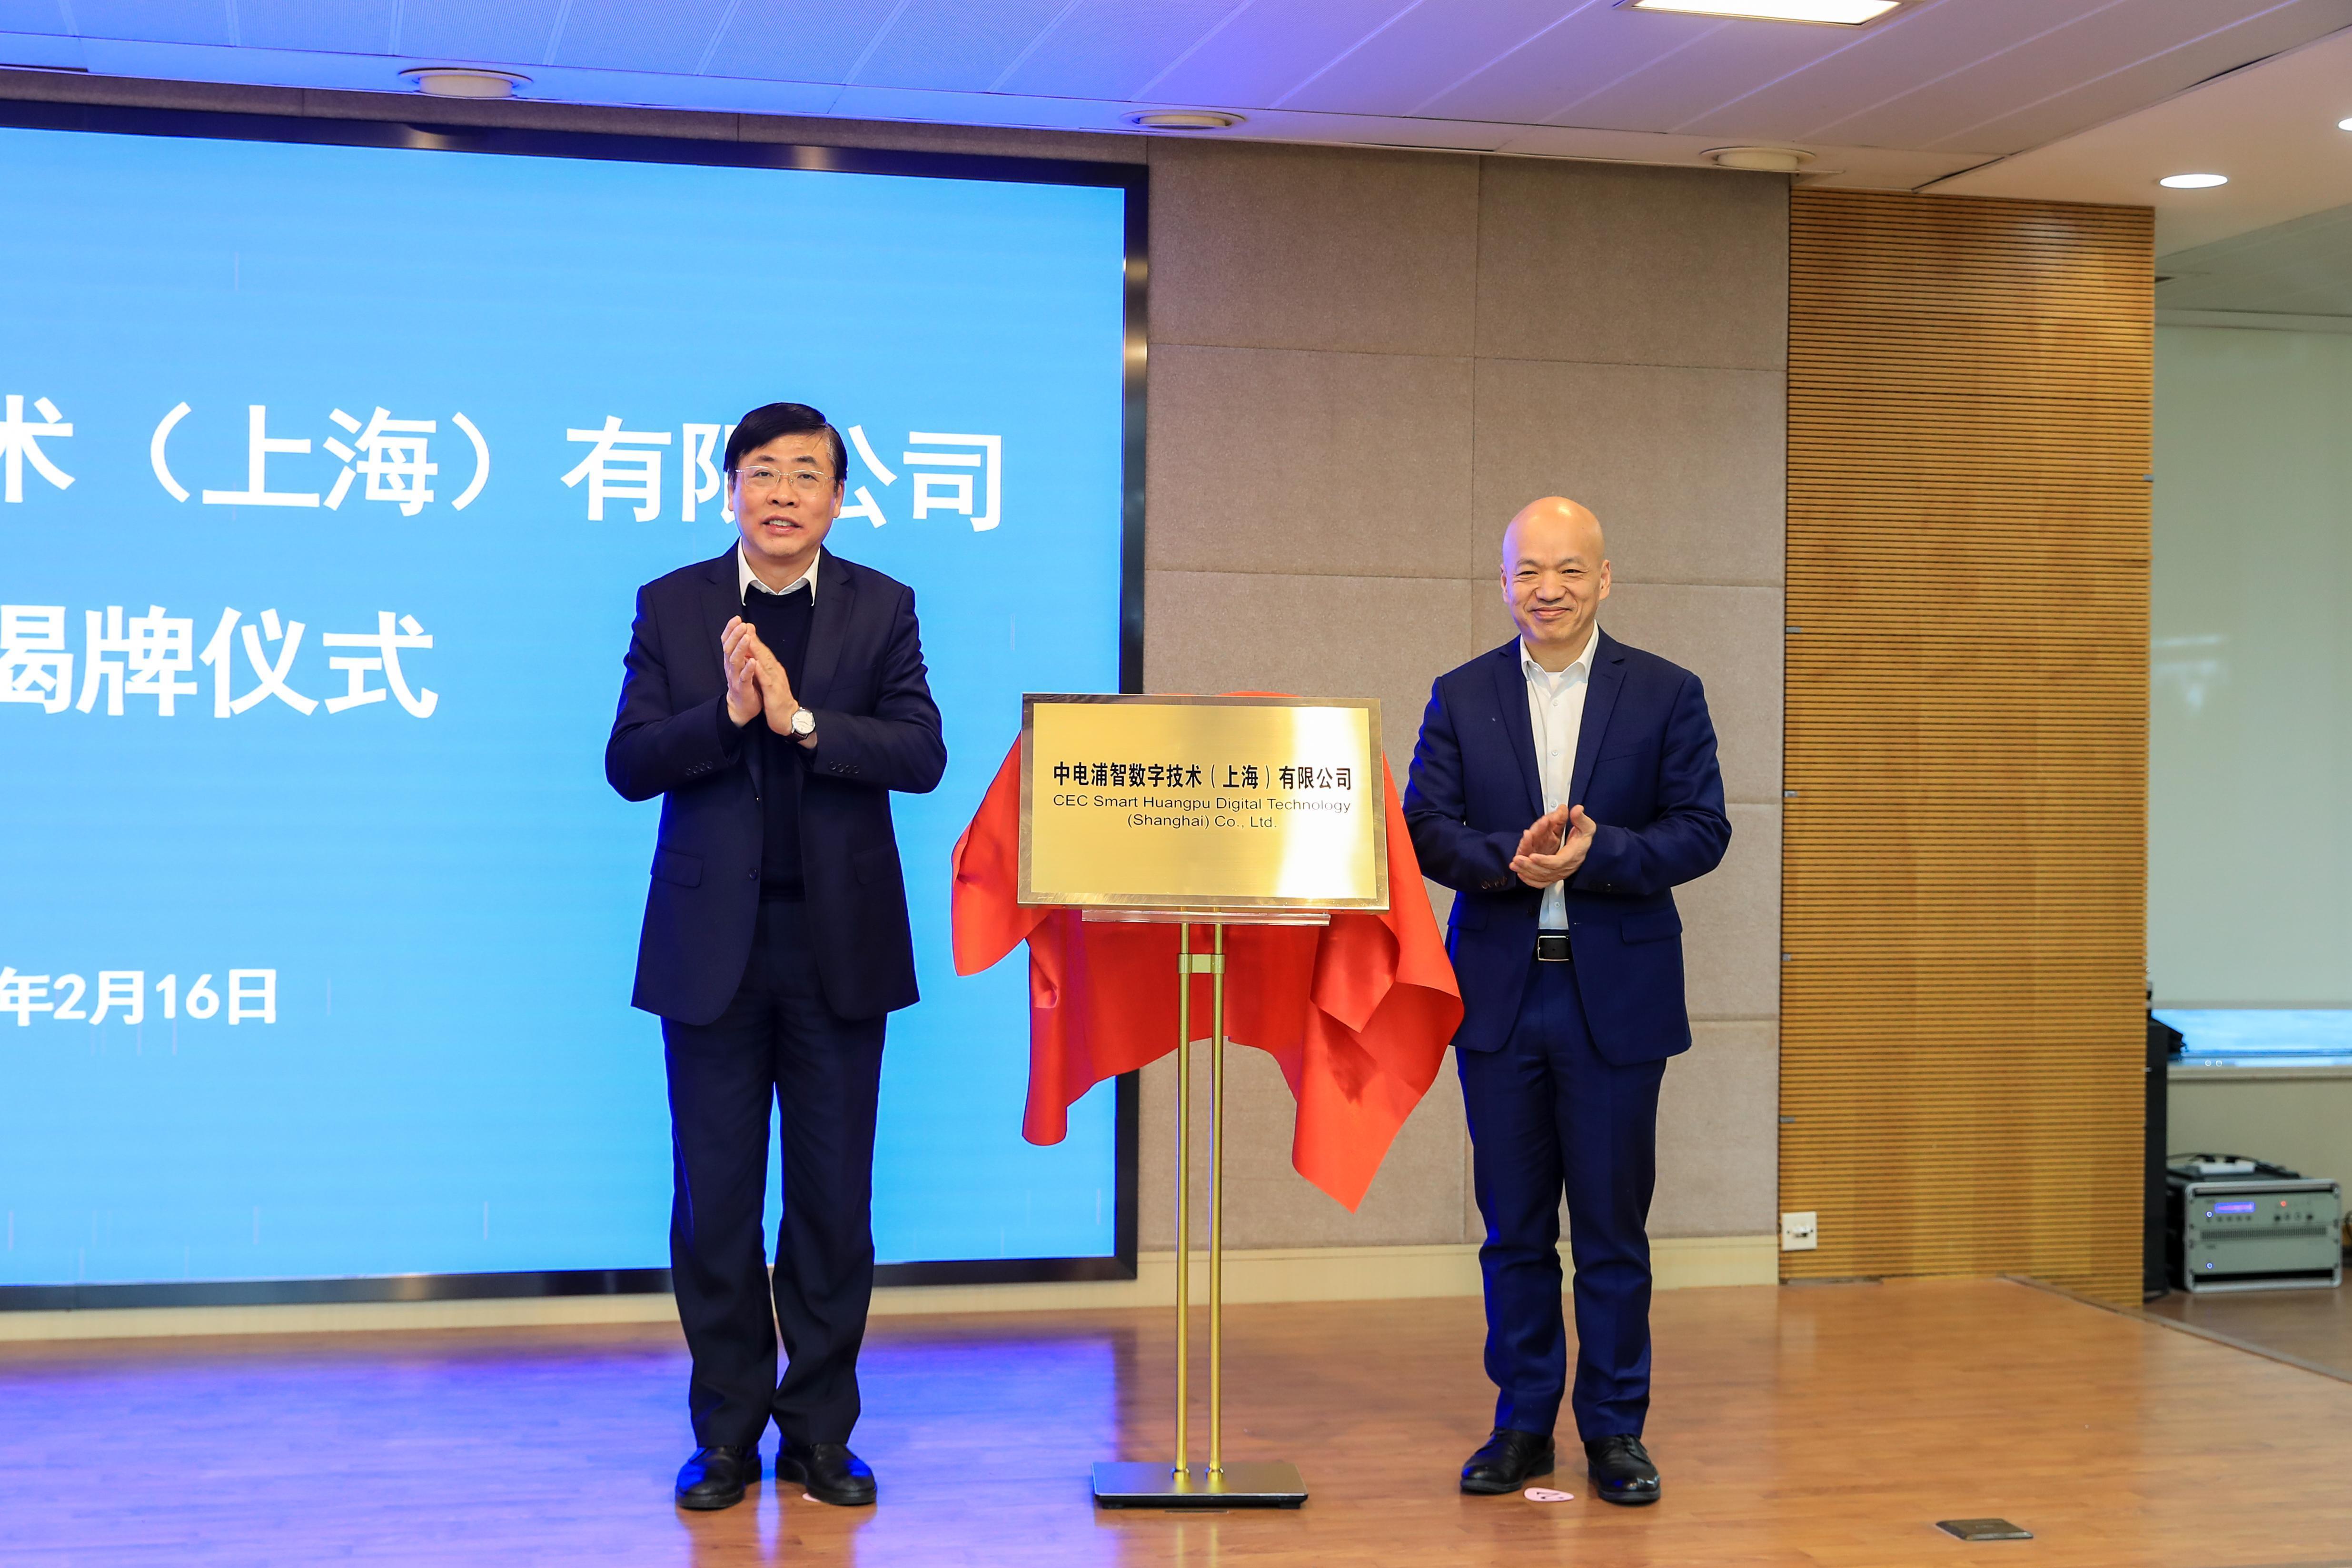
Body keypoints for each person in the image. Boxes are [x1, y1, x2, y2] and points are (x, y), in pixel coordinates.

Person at [605, 401, 946, 1512]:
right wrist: (727, 712)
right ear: (730, 490)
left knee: (832, 1204)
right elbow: (628, 763)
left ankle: (819, 1436)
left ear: (837, 499)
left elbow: (922, 754)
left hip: (837, 947)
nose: (783, 492)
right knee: (714, 1208)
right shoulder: (674, 603)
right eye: (762, 471)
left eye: (807, 474)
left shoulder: (881, 605)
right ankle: (723, 1437)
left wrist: (800, 721)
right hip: (710, 952)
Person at [1403, 496, 1730, 1506]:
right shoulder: (1460, 694)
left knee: (1610, 1232)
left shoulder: (1665, 692)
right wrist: (1506, 860)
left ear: (1604, 579)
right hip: (1500, 997)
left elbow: (1701, 828)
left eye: (1569, 570)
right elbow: (1422, 826)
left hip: (1615, 1002)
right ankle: (1521, 1424)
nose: (1547, 589)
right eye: (1528, 571)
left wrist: (1599, 854)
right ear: (1503, 582)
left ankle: (1615, 1430)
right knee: (1511, 1230)